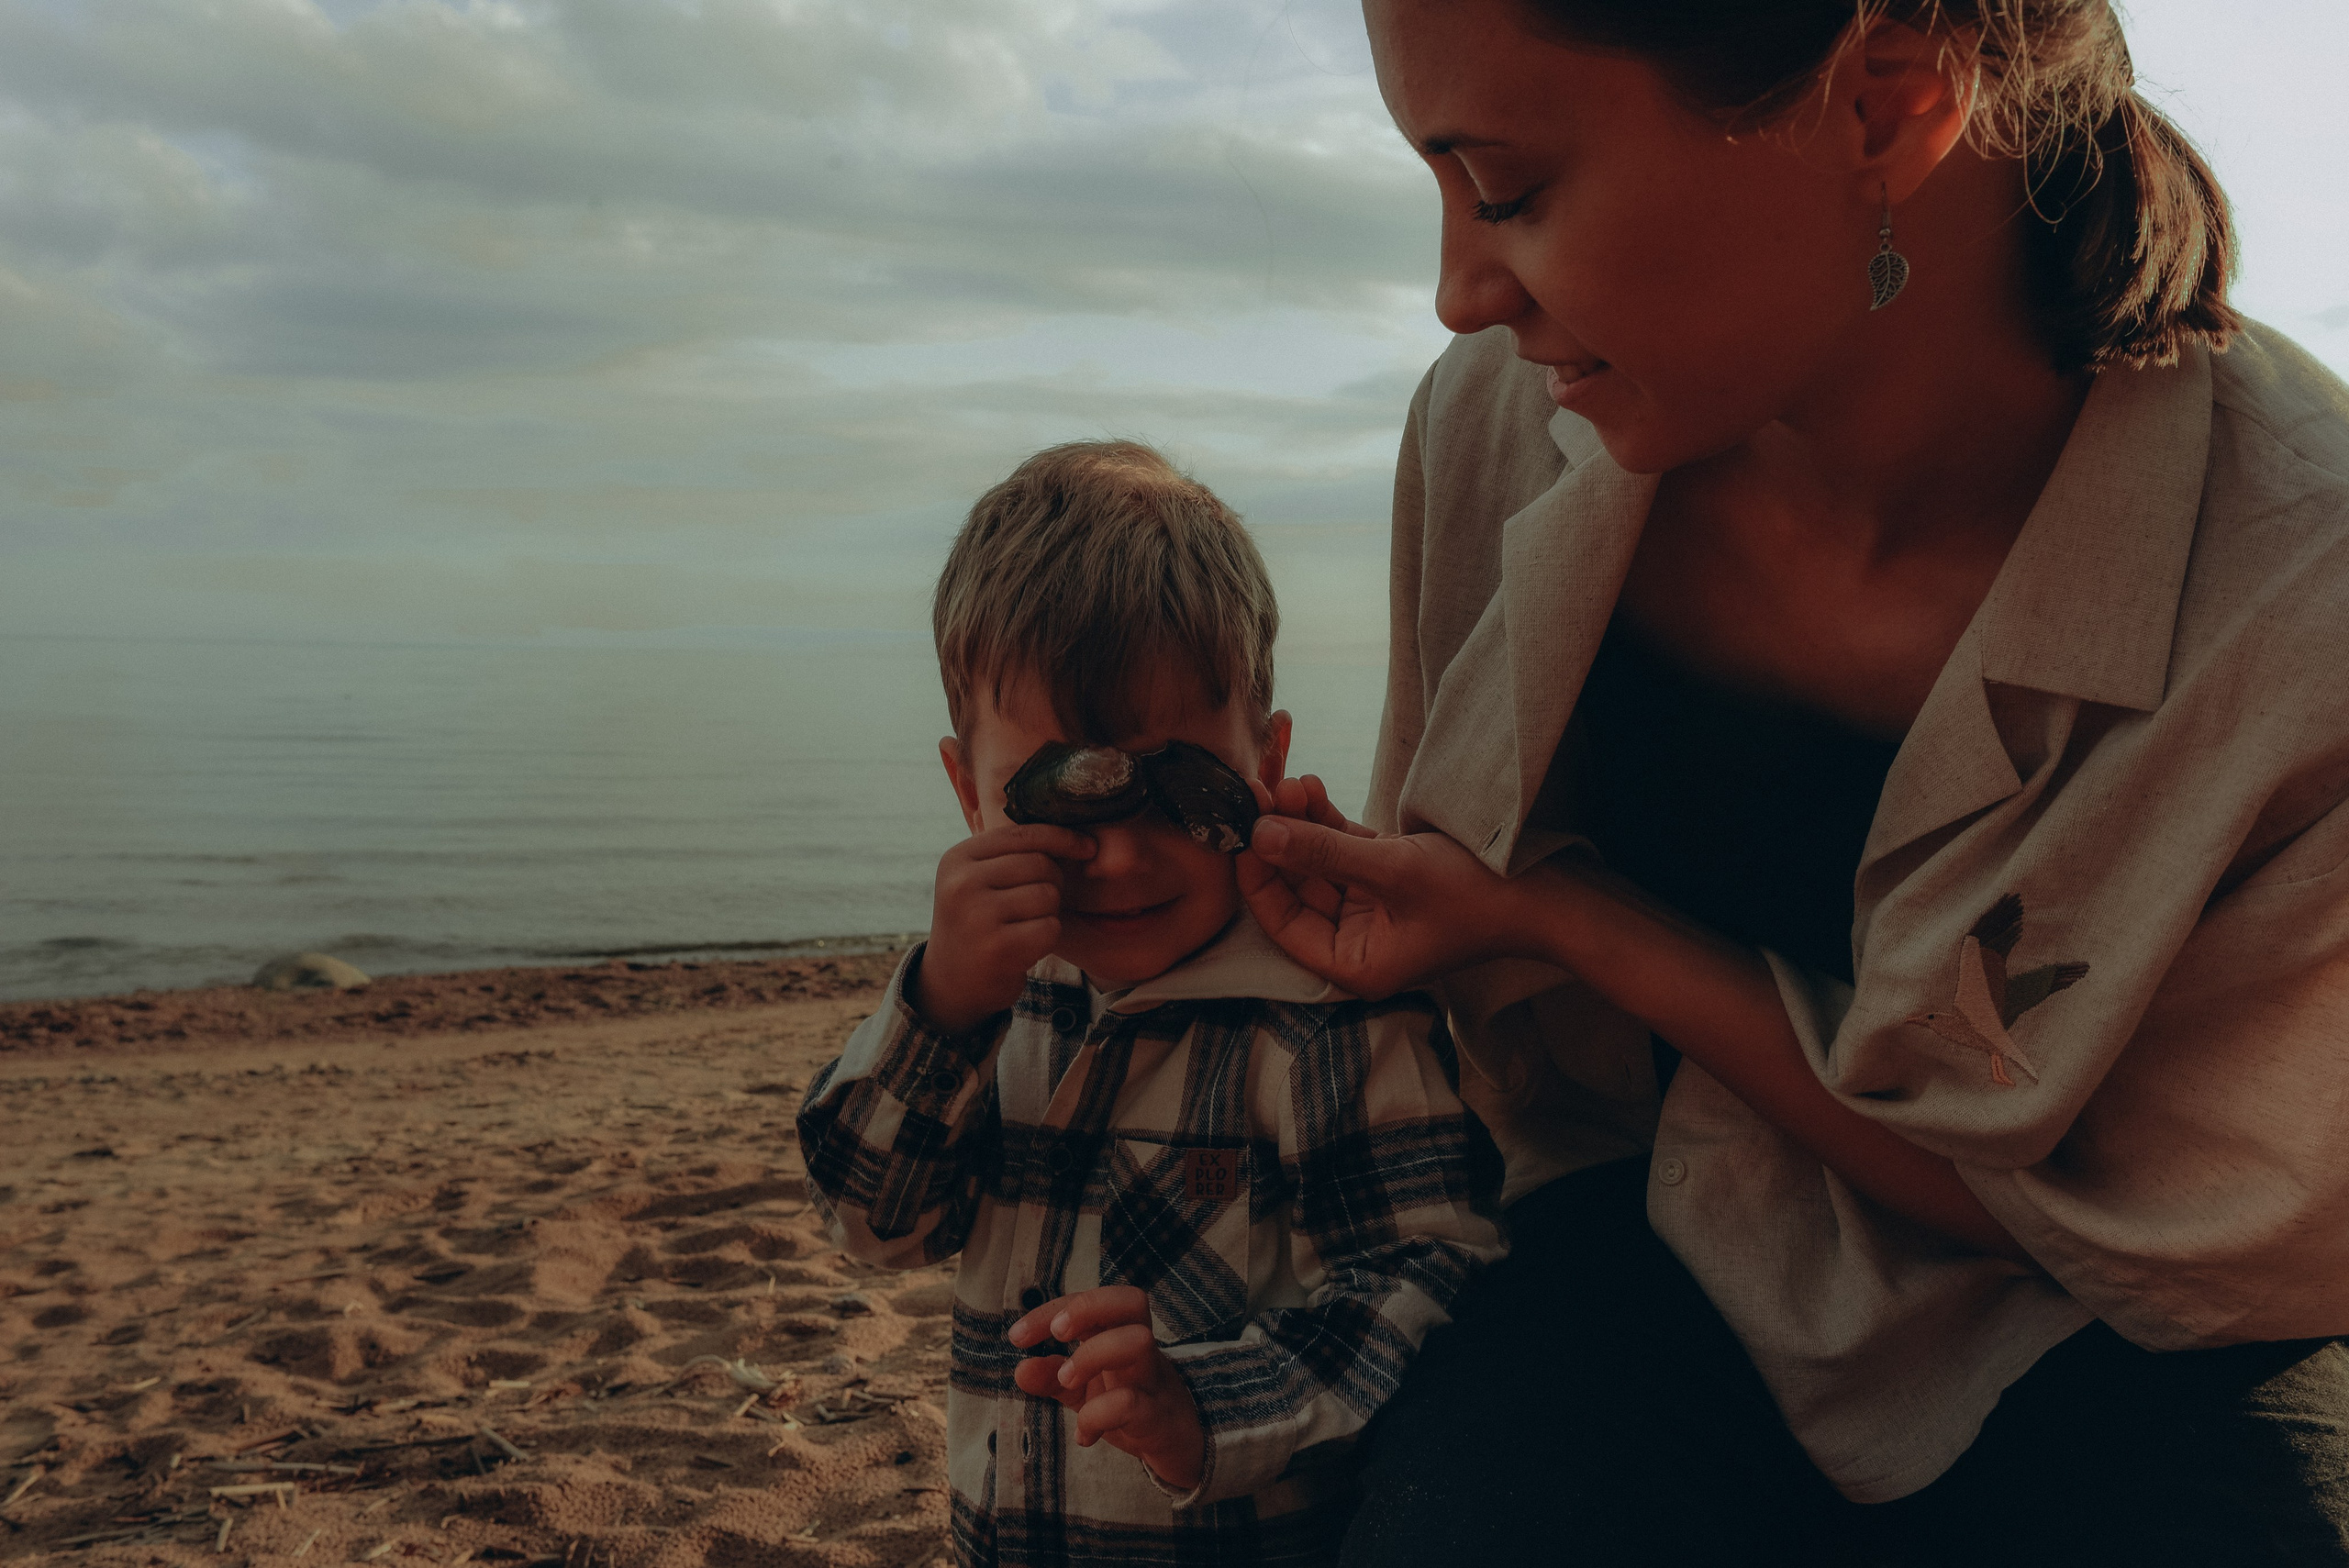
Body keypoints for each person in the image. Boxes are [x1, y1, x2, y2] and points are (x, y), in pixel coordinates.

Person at [1233, 0, 2349, 1562]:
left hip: (2121, 1353)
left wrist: (1563, 918)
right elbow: (1501, 1084)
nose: (1459, 293)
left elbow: (2138, 1233)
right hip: (1629, 1255)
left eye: (1506, 191)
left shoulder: (2308, 600)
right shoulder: (1502, 425)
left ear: (1885, 102)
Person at [796, 440, 1506, 1568]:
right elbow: (873, 1225)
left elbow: (1422, 1280)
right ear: (967, 790)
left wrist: (1203, 1405)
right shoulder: (988, 1004)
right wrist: (939, 1006)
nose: (1119, 856)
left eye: (1183, 788)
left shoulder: (1326, 1017)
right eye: (1059, 798)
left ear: (1265, 759)